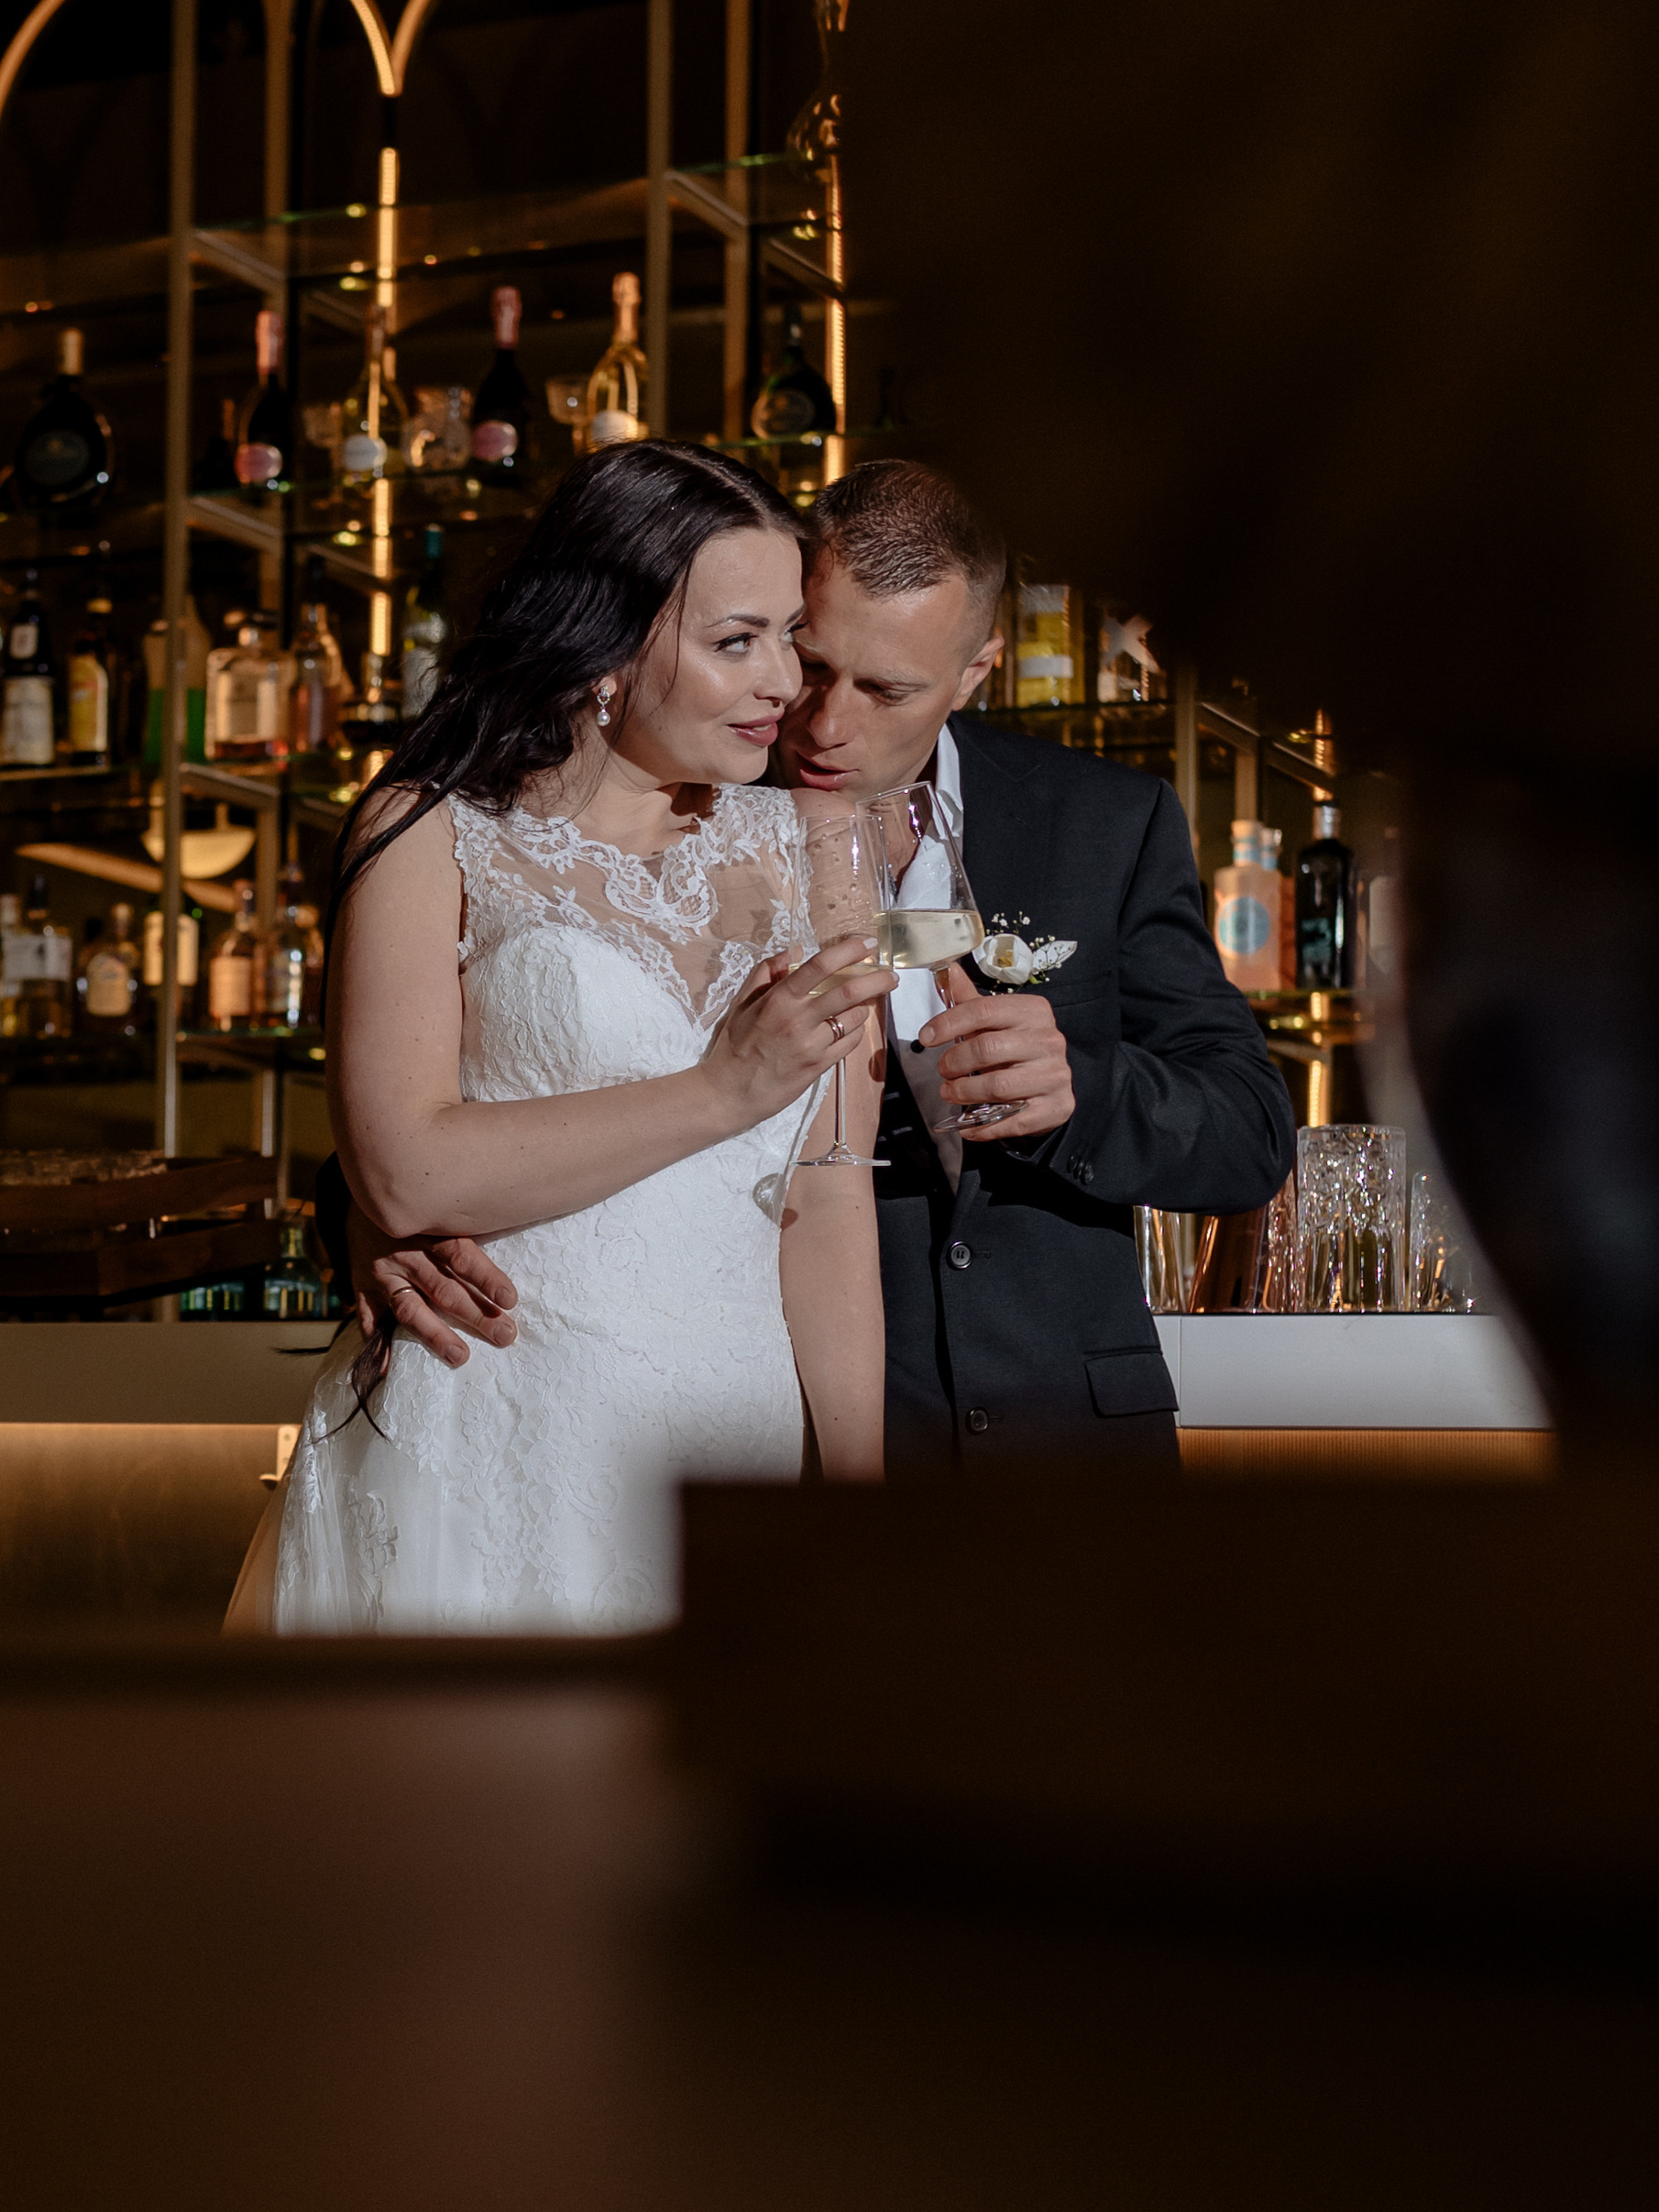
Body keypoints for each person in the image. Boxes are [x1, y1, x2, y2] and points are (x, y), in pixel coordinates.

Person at [346, 457, 1294, 1473]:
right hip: (767, 1406)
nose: (823, 720)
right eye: (809, 656)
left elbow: (1249, 1129)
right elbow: (467, 1083)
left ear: (977, 670)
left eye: (886, 689)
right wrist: (370, 1217)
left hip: (1060, 1429)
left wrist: (1082, 1091)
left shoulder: (1104, 822)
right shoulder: (686, 791)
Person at [258, 441, 895, 1634]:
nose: (783, 682)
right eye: (736, 641)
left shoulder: (819, 848)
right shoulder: (428, 829)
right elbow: (404, 1173)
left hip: (730, 1423)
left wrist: (861, 1510)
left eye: (789, 636)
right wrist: (721, 1090)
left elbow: (828, 1198)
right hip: (499, 1409)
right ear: (607, 647)